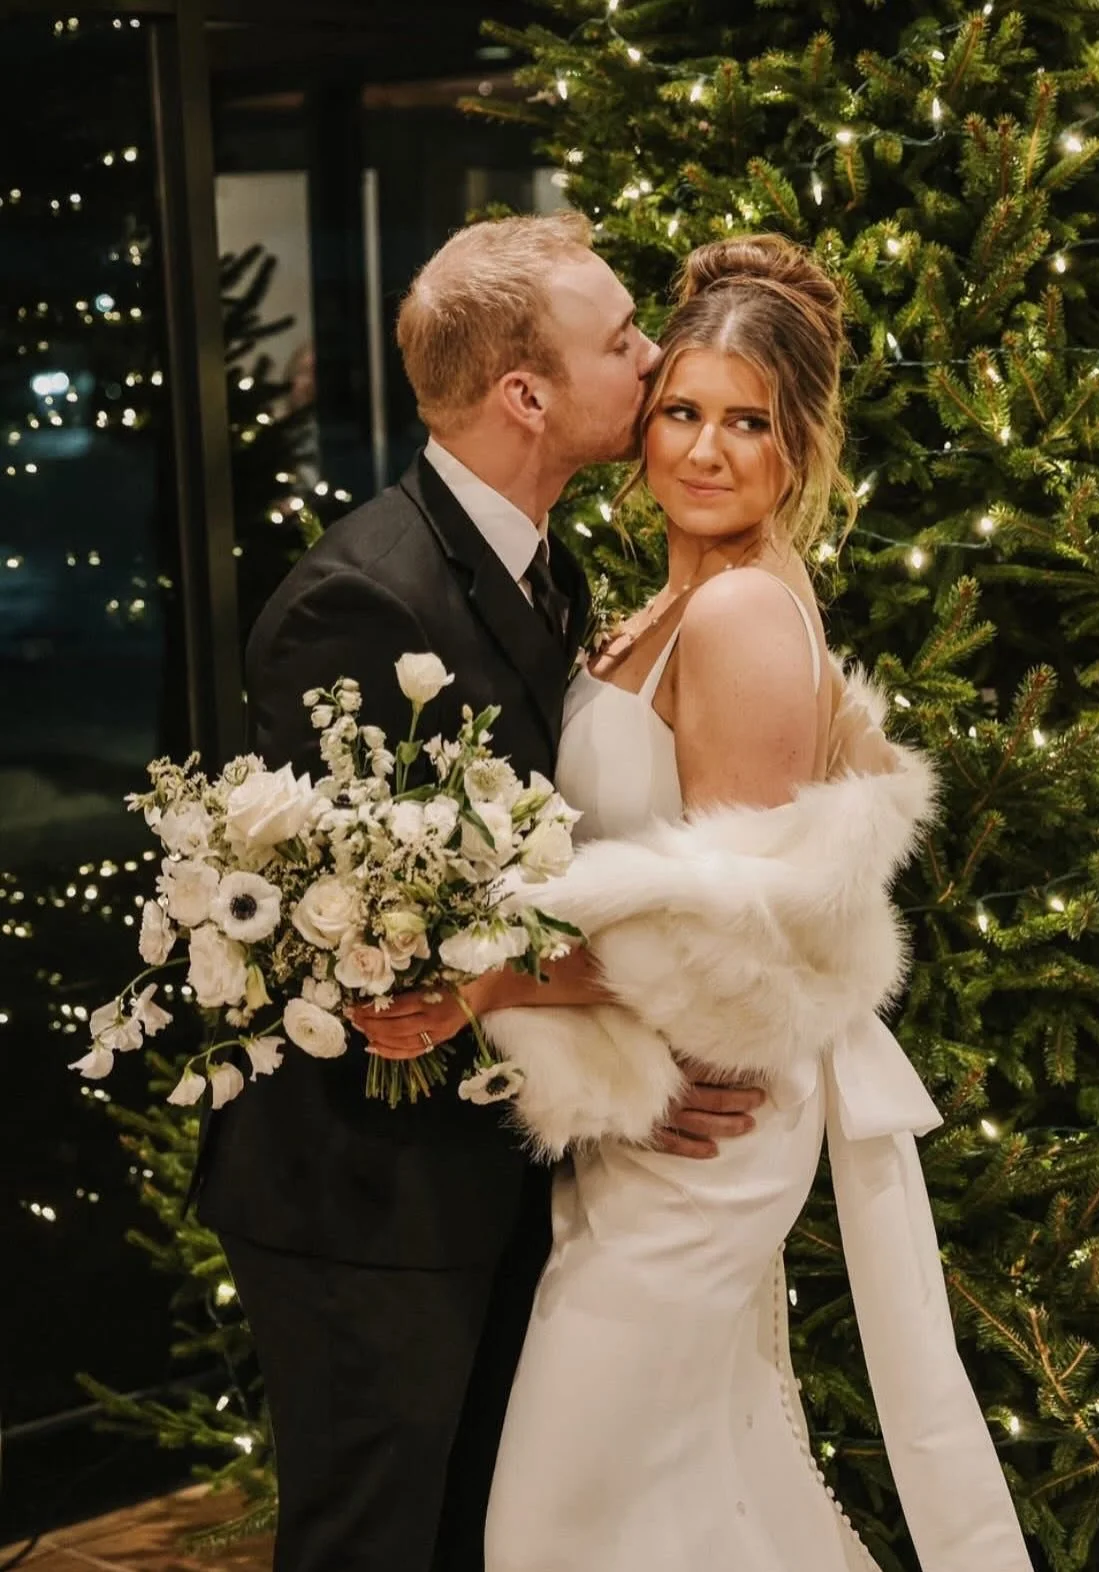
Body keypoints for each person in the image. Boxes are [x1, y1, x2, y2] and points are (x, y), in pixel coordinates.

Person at [364, 235, 1034, 1571]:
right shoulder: (661, 609)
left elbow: (732, 942)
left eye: (749, 423)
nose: (706, 450)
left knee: (552, 1527)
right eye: (681, 410)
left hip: (705, 1138)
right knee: (676, 1501)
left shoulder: (738, 620)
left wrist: (490, 986)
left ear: (799, 449)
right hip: (640, 1111)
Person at [191, 213, 765, 1572]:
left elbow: (517, 891)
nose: (651, 357)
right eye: (620, 342)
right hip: (369, 1193)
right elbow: (377, 949)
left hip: (491, 1165)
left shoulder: (544, 561)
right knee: (376, 1541)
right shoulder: (360, 601)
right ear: (527, 395)